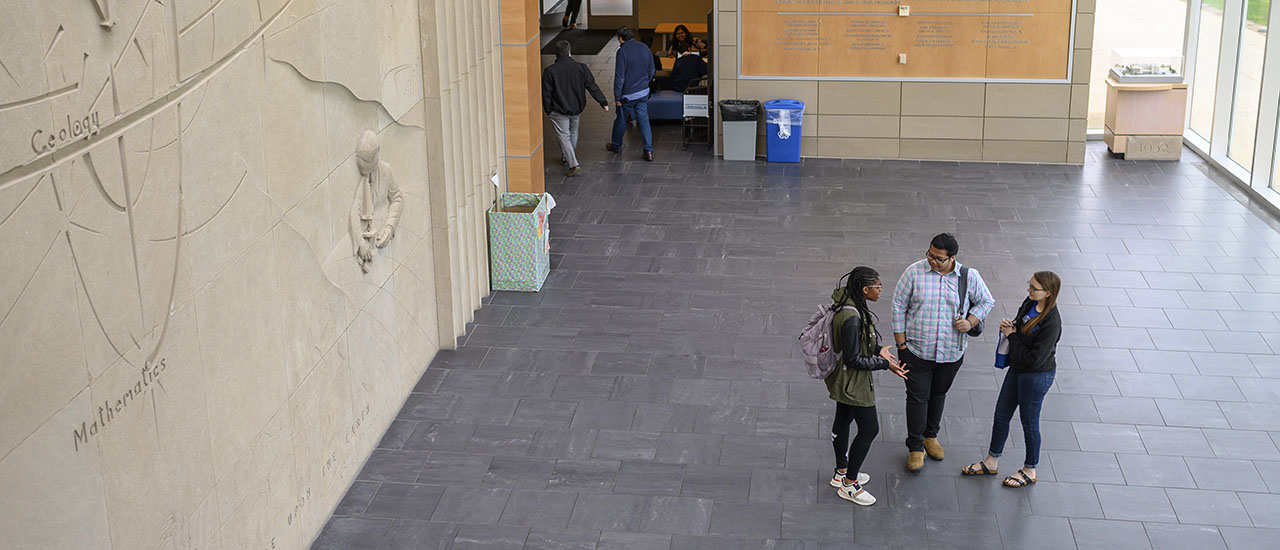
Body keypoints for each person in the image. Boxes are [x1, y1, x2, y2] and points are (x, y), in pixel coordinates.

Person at [892, 232, 994, 472]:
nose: (932, 261)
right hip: (916, 350)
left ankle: (931, 436)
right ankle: (916, 447)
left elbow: (986, 301)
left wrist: (970, 322)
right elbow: (898, 305)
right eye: (930, 255)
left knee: (938, 394)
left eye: (938, 258)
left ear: (952, 258)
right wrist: (901, 344)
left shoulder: (969, 277)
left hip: (951, 352)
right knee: (917, 397)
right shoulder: (914, 273)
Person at [962, 272, 1063, 488]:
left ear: (1048, 293)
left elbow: (1035, 359)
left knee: (1029, 423)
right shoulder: (1030, 302)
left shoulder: (1052, 323)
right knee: (1001, 414)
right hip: (1018, 369)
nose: (1029, 290)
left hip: (1036, 377)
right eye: (1030, 285)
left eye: (1034, 288)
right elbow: (1020, 324)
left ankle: (1030, 469)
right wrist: (1013, 326)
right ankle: (992, 461)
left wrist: (1012, 335)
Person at [825, 267, 910, 506]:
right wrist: (885, 364)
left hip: (843, 379)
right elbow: (853, 358)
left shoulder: (848, 304)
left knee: (842, 422)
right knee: (870, 428)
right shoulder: (852, 317)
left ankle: (841, 472)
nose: (881, 291)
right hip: (853, 383)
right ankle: (849, 485)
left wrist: (876, 349)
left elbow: (859, 342)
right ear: (865, 289)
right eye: (878, 287)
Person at [541, 40, 609, 176]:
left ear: (556, 55)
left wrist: (548, 109)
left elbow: (546, 93)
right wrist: (603, 101)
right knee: (572, 133)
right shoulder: (581, 68)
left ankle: (573, 163)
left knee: (564, 136)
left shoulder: (550, 71)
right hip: (577, 108)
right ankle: (567, 157)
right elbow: (592, 86)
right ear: (570, 53)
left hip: (558, 110)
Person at [348, 130, 402, 274]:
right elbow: (355, 211)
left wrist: (389, 227)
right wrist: (360, 243)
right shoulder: (363, 182)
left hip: (384, 251)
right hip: (369, 247)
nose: (368, 174)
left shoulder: (386, 171)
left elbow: (397, 197)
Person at [605, 27, 655, 161]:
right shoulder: (644, 47)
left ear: (621, 39)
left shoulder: (622, 52)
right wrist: (645, 82)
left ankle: (616, 145)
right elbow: (651, 69)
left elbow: (619, 77)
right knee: (644, 120)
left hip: (627, 95)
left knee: (621, 119)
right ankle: (648, 151)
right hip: (643, 92)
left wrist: (617, 97)